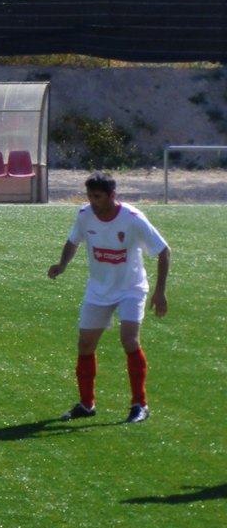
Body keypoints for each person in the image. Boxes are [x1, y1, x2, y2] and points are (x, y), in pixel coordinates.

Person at [47, 171, 170, 424]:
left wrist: (160, 291)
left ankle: (139, 404)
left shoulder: (133, 219)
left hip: (131, 289)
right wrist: (62, 264)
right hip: (99, 289)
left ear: (112, 195)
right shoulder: (84, 215)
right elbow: (73, 241)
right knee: (85, 345)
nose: (93, 202)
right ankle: (86, 404)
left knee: (129, 340)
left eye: (98, 197)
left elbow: (164, 251)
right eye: (90, 196)